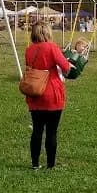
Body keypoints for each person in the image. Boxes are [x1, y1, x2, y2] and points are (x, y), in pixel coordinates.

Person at [25, 21, 71, 170]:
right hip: (52, 93)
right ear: (47, 33)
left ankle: (35, 163)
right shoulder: (51, 47)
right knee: (51, 132)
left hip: (35, 92)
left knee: (37, 130)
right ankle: (50, 164)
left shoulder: (29, 49)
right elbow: (65, 67)